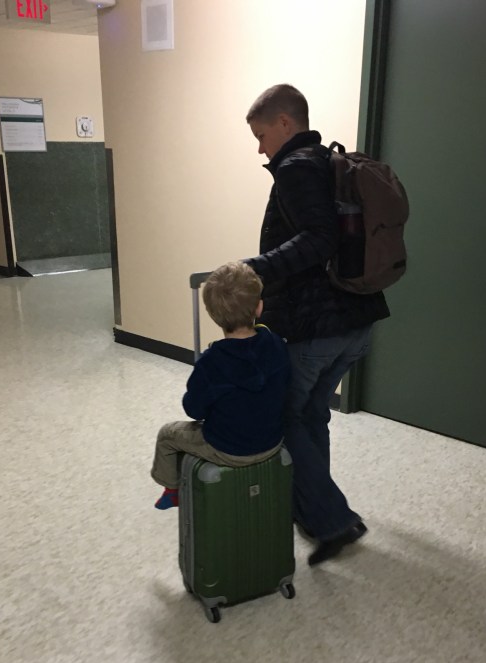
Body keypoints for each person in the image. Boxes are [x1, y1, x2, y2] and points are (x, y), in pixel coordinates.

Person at [243, 83, 390, 564]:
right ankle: (317, 512)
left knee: (284, 419)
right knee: (312, 415)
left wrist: (256, 269)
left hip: (317, 328)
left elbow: (320, 239)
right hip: (354, 321)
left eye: (261, 134)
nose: (259, 147)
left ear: (285, 124)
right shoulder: (328, 161)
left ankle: (331, 519)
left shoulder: (295, 168)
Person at [151, 261, 290, 509]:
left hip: (228, 449)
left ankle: (172, 490)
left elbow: (193, 410)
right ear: (259, 308)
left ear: (214, 316)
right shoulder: (276, 344)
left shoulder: (211, 362)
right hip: (273, 442)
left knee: (168, 435)